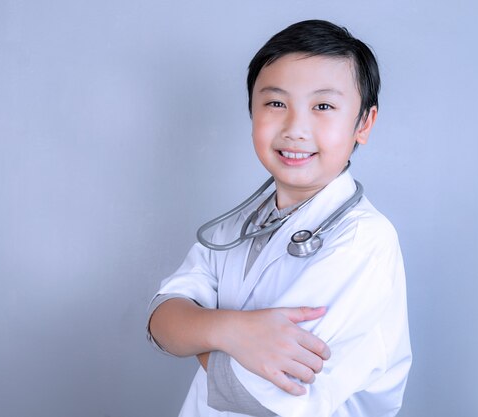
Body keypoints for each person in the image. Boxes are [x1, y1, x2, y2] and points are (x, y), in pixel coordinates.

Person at [147, 19, 412, 417]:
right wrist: (232, 331)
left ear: (364, 123)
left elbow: (267, 392)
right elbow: (159, 322)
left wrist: (198, 327)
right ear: (251, 110)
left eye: (323, 106)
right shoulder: (236, 227)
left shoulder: (364, 242)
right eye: (275, 103)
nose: (295, 128)